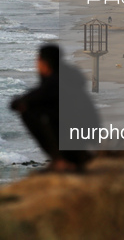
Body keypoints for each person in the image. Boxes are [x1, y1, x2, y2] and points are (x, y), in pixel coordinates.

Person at [10, 44, 100, 173]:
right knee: (45, 110)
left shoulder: (56, 81)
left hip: (81, 131)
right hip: (88, 129)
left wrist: (19, 102)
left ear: (44, 62)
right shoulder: (67, 76)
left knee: (30, 112)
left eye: (38, 60)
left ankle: (62, 160)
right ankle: (75, 156)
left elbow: (26, 100)